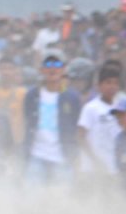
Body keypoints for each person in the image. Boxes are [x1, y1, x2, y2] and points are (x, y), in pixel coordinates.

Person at [23, 49, 83, 184]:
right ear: (41, 69)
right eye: (48, 64)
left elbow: (76, 129)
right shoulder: (32, 95)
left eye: (57, 65)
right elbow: (27, 122)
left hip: (63, 157)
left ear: (63, 69)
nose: (52, 69)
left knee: (61, 200)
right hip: (36, 155)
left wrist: (76, 159)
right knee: (31, 200)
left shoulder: (72, 97)